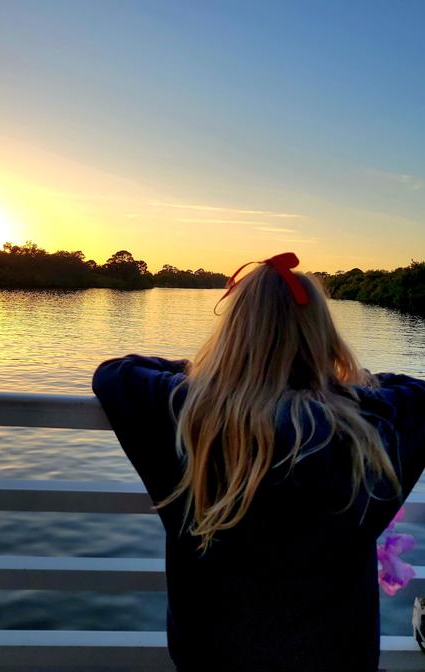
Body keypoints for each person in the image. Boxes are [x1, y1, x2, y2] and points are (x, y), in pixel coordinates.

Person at [92, 252, 425, 672]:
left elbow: (116, 372)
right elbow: (412, 389)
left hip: (211, 657)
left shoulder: (185, 413)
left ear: (234, 331)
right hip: (337, 658)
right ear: (323, 335)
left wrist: (216, 376)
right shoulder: (371, 425)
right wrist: (335, 386)